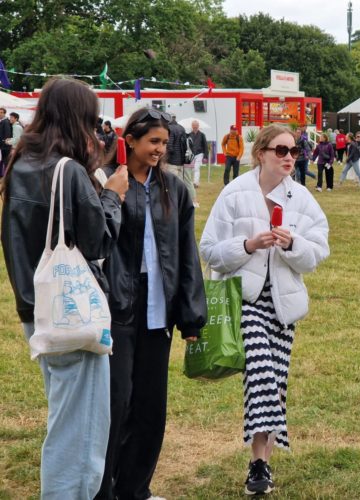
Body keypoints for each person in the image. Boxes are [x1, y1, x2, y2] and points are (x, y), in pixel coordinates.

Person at [1, 77, 128, 498]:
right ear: (78, 119)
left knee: (66, 419)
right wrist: (111, 195)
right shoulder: (67, 171)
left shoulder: (19, 165)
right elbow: (99, 240)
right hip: (73, 312)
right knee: (80, 434)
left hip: (36, 310)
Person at [200, 124, 329, 496]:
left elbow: (317, 254)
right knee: (261, 370)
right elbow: (209, 249)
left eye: (295, 150)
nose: (289, 156)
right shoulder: (234, 194)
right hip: (245, 298)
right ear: (261, 153)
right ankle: (260, 461)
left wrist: (293, 245)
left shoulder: (302, 199)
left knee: (273, 380)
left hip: (284, 305)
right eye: (281, 150)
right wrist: (248, 244)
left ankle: (261, 464)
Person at [96, 107, 207, 500]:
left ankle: (135, 488)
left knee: (150, 406)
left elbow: (185, 252)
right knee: (115, 403)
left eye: (165, 142)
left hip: (158, 308)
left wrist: (192, 318)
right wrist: (112, 193)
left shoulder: (174, 189)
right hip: (116, 306)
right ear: (130, 141)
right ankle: (102, 489)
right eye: (153, 141)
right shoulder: (108, 183)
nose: (161, 148)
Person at [166, 114, 197, 206]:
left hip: (172, 162)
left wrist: (164, 158)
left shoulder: (169, 129)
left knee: (171, 184)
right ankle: (181, 203)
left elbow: (169, 147)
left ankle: (173, 204)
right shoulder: (182, 128)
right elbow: (184, 146)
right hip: (181, 162)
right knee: (180, 184)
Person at [188, 118, 208, 188]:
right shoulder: (189, 135)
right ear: (192, 126)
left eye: (196, 125)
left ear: (198, 126)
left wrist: (205, 156)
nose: (195, 127)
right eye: (194, 125)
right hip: (191, 154)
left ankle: (196, 183)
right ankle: (190, 182)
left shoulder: (202, 135)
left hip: (199, 154)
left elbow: (205, 146)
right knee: (191, 169)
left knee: (196, 168)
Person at [0, 107, 12, 175]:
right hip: (3, 145)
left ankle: (6, 175)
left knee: (5, 160)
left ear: (4, 113)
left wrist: (3, 143)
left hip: (5, 146)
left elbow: (7, 134)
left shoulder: (6, 122)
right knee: (3, 160)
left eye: (1, 112)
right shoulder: (2, 121)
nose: (0, 114)